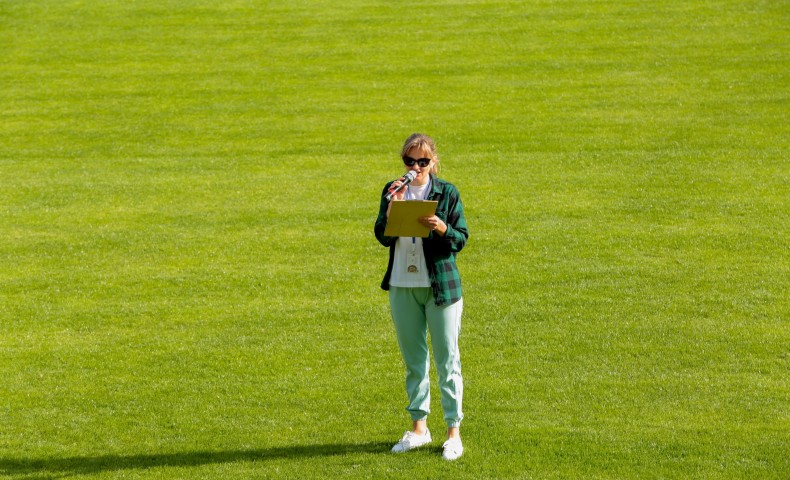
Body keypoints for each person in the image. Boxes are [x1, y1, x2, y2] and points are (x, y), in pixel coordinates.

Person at [374, 133, 469, 461]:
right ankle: (419, 429)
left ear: (433, 162)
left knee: (447, 360)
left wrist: (441, 227)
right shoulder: (392, 190)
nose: (416, 166)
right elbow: (381, 236)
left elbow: (460, 238)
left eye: (423, 161)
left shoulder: (447, 192)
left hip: (440, 286)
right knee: (414, 361)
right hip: (402, 285)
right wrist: (392, 211)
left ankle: (453, 433)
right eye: (410, 161)